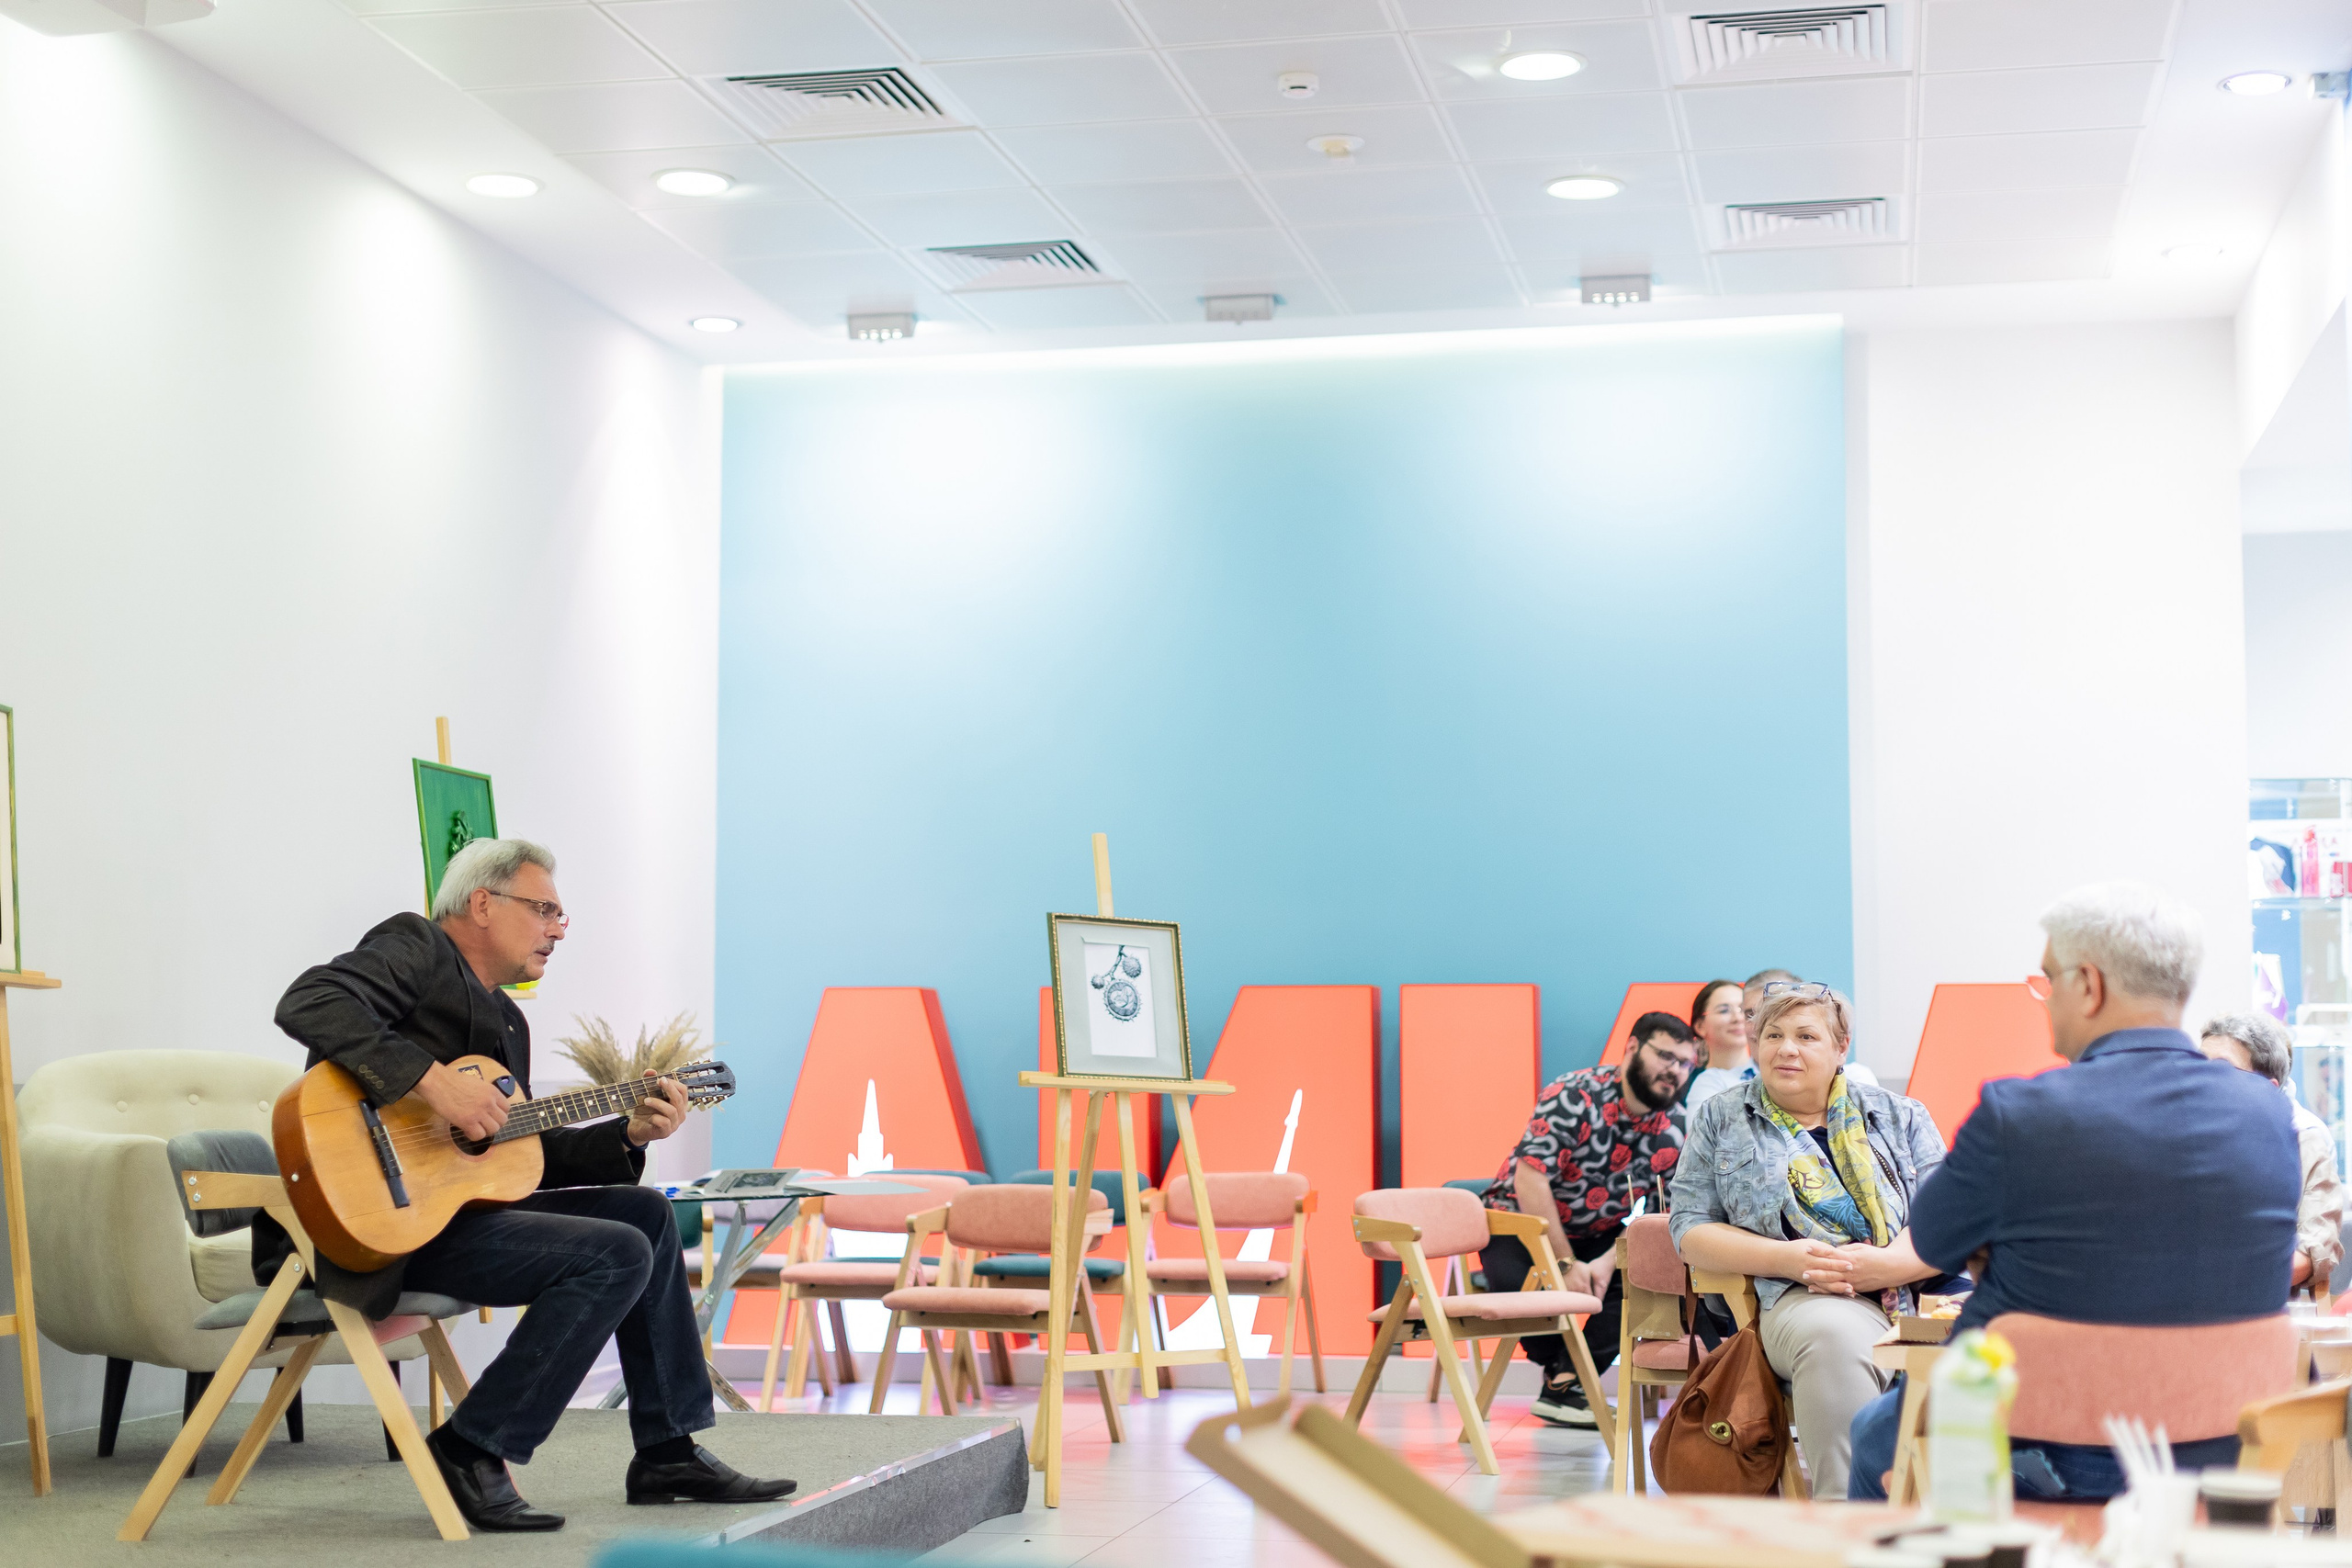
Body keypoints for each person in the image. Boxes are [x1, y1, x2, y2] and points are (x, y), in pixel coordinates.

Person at [255, 840, 794, 1531]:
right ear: (482, 903)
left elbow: (520, 1153)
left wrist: (629, 1136)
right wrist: (435, 1083)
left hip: (455, 1221)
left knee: (646, 1215)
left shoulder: (508, 1020)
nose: (558, 929)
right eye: (545, 910)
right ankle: (470, 1446)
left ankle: (668, 1451)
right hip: (373, 1225)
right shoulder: (414, 946)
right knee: (616, 1252)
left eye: (560, 916)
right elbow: (309, 1000)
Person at [1849, 882, 2301, 1503]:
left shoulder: (2018, 1114)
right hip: (2221, 1453)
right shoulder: (2270, 1115)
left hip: (2032, 1452)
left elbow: (1931, 1240)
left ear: (2088, 984)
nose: (2045, 998)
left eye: (2047, 979)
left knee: (1874, 1433)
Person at [1669, 983, 1948, 1499]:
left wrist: (1890, 1266)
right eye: (1773, 1035)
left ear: (1841, 1047)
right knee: (1834, 1336)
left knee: (2013, 1335)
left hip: (1916, 1291)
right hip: (1799, 1296)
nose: (1786, 1049)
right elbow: (1690, 1228)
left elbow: (1950, 1219)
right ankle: (1847, 1523)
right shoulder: (1722, 1117)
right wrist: (1786, 1259)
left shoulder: (1900, 1114)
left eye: (1805, 1036)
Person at [1480, 1011, 1699, 1428]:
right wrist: (1564, 1263)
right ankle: (1564, 1378)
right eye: (1666, 1056)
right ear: (1632, 1048)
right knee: (1537, 1314)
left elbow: (1662, 1215)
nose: (1675, 1071)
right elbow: (1530, 1180)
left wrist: (1605, 1262)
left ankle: (1565, 1385)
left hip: (1598, 1232)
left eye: (1685, 1063)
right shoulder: (1574, 1094)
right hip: (1518, 1222)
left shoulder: (1676, 1128)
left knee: (1651, 1271)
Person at [2199, 1012, 2345, 1295]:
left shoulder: (2304, 1141)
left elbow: (2312, 1253)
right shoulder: (2179, 1138)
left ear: (2266, 1090)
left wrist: (2220, 1275)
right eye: (2196, 1067)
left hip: (2264, 1305)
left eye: (2221, 1070)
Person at [1682, 978, 1754, 1109]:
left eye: (1743, 1009)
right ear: (1700, 1026)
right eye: (1724, 1010)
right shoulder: (1685, 1086)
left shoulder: (1769, 1076)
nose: (1738, 1018)